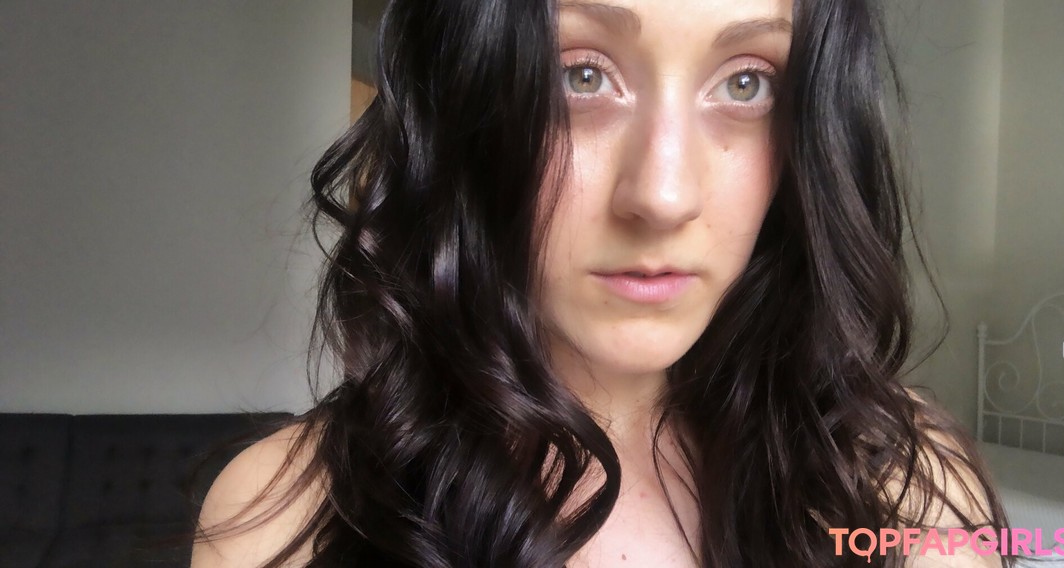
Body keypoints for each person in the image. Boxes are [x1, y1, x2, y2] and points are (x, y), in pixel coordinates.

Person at [190, 0, 1013, 566]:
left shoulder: (912, 493)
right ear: (463, 103)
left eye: (746, 82)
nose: (663, 196)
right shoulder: (283, 520)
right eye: (579, 75)